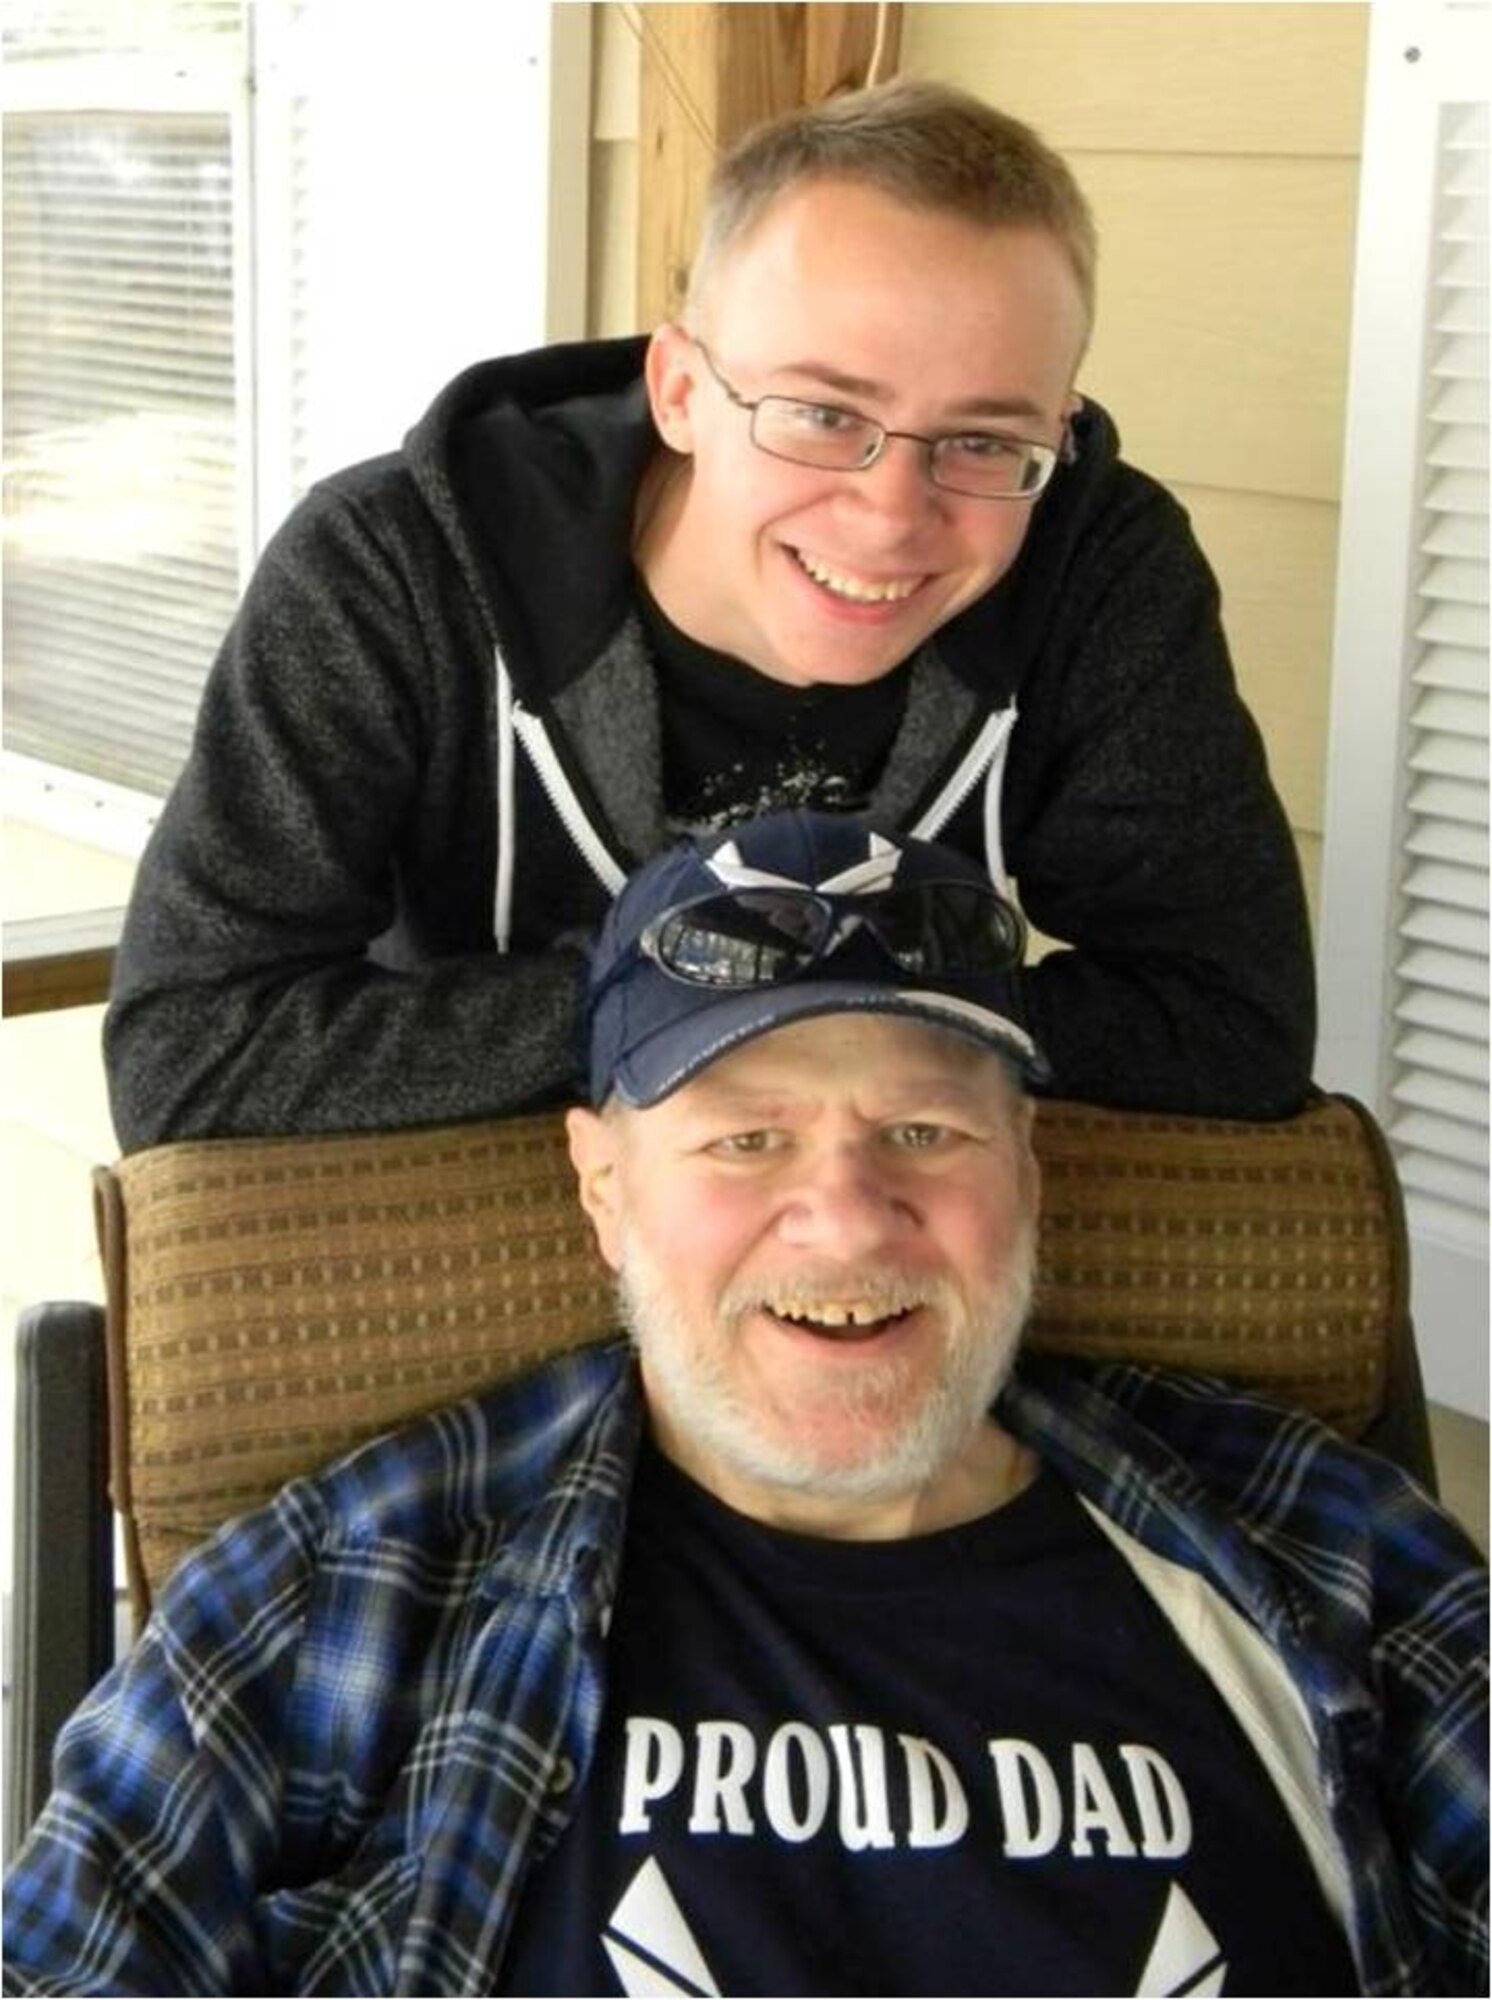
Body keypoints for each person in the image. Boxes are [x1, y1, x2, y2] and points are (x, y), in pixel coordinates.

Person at [6, 809, 1483, 1999]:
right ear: (601, 1185)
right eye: (744, 1140)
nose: (844, 1220)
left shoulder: (1328, 1552)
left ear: (1027, 1171)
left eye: (921, 1128)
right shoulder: (353, 1589)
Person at [103, 78, 1316, 1154]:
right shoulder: (394, 567)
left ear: (1058, 432)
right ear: (681, 390)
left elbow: (1230, 1020)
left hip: (885, 1264)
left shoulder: (1098, 565)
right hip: (488, 1247)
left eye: (983, 439)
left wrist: (780, 999)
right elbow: (191, 1051)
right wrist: (691, 995)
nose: (891, 514)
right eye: (823, 413)